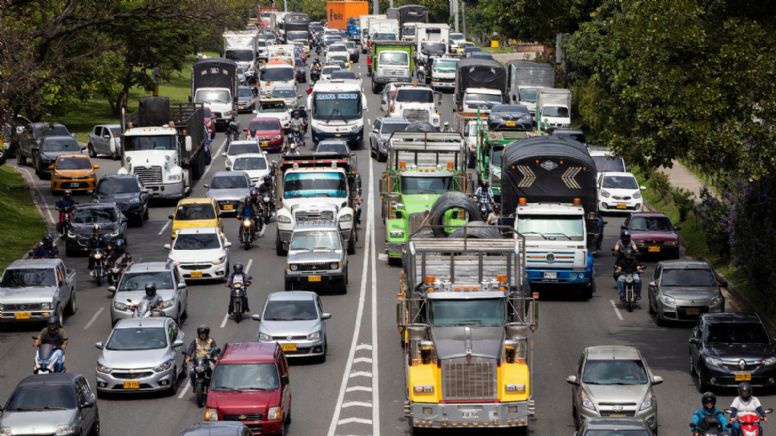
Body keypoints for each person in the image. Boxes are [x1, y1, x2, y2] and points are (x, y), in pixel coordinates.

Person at [184, 325, 220, 390]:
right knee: (191, 371)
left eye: (204, 334)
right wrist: (188, 357)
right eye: (201, 334)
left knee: (214, 370)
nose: (202, 335)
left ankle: (213, 386)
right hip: (197, 360)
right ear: (199, 334)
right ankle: (194, 385)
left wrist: (215, 356)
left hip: (208, 361)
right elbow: (191, 349)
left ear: (207, 334)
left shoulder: (211, 341)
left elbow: (214, 348)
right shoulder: (195, 340)